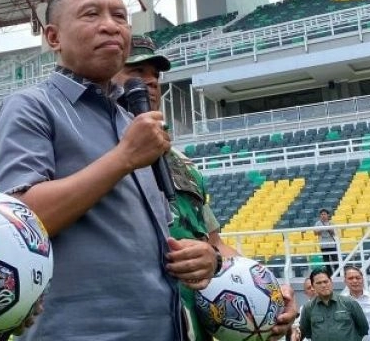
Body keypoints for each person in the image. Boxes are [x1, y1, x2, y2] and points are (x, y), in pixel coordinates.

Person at [0, 0, 220, 341]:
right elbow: (18, 223)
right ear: (53, 37)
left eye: (120, 15)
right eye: (91, 14)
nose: (111, 25)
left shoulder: (132, 122)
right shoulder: (32, 107)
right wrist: (124, 157)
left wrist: (205, 257)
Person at [110, 35, 297, 340]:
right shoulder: (90, 153)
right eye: (136, 73)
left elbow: (214, 244)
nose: (152, 83)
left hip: (189, 323)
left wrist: (271, 291)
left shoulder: (183, 163)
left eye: (155, 76)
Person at [299, 268, 369, 341]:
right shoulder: (308, 307)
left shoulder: (349, 302)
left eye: (326, 281)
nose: (323, 285)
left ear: (331, 282)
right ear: (313, 286)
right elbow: (306, 332)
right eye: (319, 283)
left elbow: (363, 328)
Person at [314, 209, 338, 273]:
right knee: (326, 261)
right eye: (322, 214)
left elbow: (334, 233)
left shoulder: (331, 223)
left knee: (335, 259)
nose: (323, 216)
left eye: (324, 214)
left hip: (332, 244)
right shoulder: (317, 223)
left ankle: (337, 273)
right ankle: (329, 273)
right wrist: (321, 229)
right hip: (323, 244)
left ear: (328, 215)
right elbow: (315, 233)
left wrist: (328, 228)